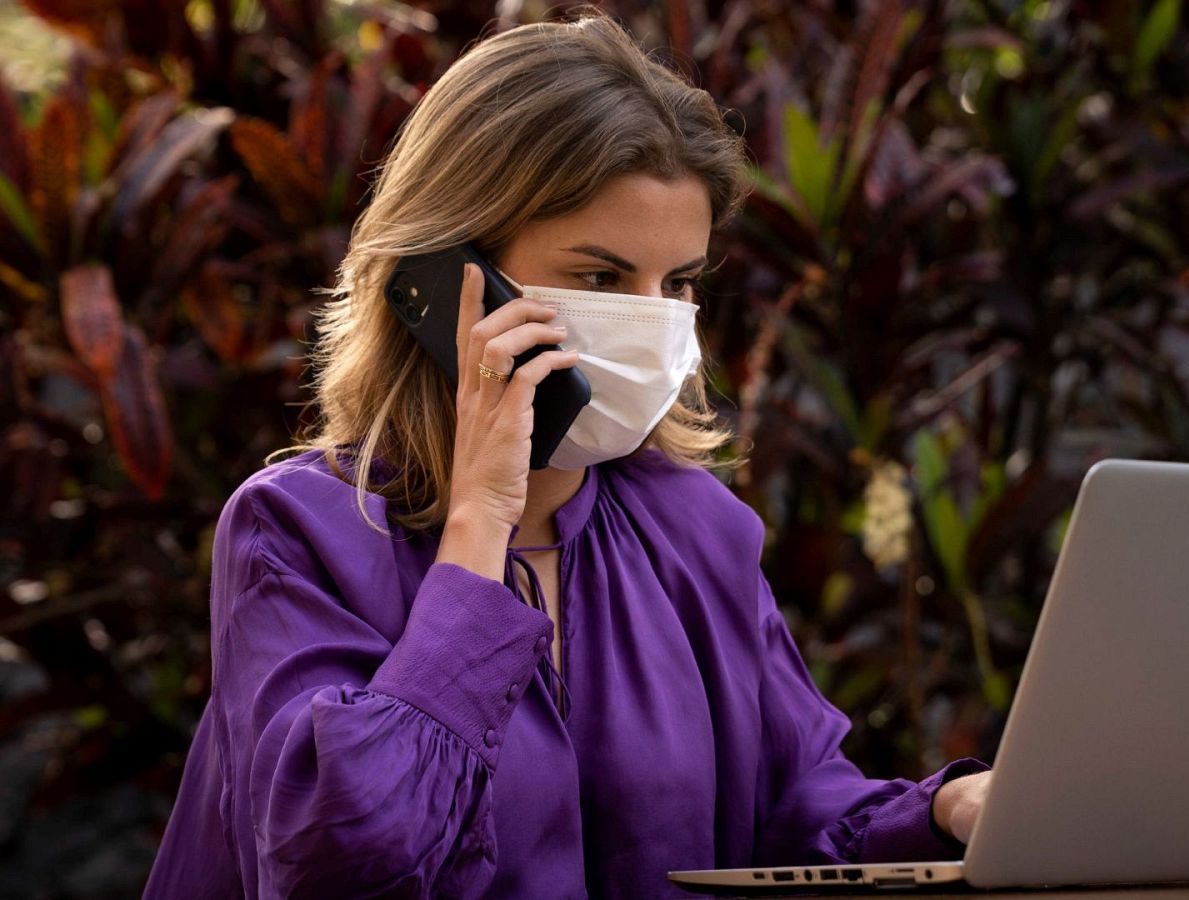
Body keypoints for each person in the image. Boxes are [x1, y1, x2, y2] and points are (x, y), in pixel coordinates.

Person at [143, 10, 993, 899]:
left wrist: (952, 809)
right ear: (442, 277)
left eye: (679, 284)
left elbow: (800, 813)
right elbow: (343, 860)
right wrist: (478, 524)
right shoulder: (295, 532)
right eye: (600, 278)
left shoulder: (697, 528)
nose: (653, 319)